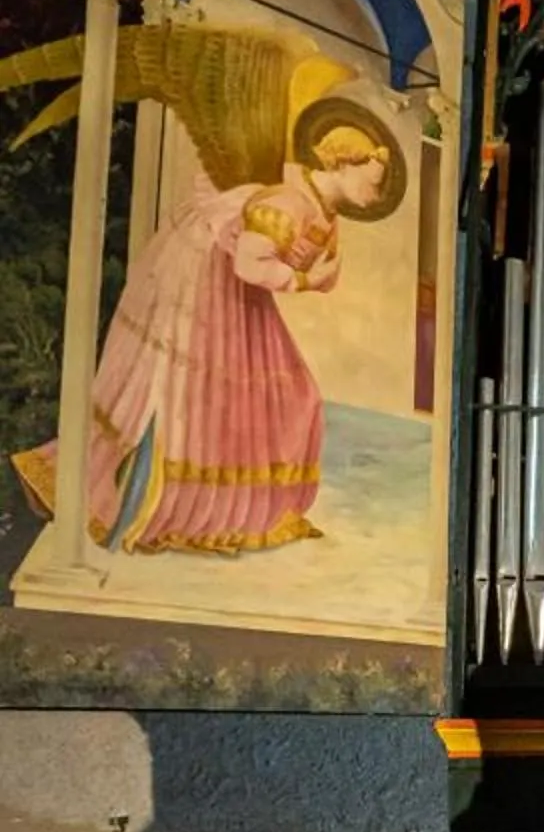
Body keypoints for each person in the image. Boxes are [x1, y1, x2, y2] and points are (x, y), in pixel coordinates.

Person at [13, 102, 404, 559]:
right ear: (342, 163)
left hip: (237, 293)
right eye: (374, 182)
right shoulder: (287, 203)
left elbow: (320, 275)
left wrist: (312, 277)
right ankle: (186, 506)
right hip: (208, 286)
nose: (377, 196)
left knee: (294, 394)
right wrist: (302, 279)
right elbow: (249, 262)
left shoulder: (321, 212)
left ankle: (251, 505)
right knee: (194, 401)